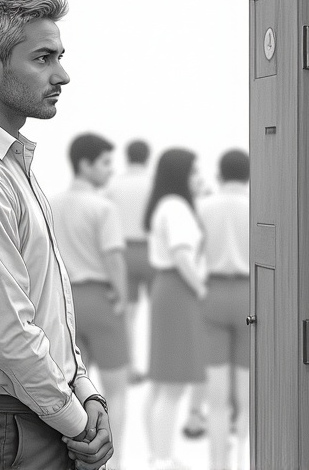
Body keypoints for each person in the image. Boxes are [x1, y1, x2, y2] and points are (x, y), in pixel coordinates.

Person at [0, 0, 113, 470]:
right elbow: (8, 335)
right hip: (9, 433)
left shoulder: (10, 162)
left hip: (33, 418)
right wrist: (79, 425)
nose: (63, 74)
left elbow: (49, 305)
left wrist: (87, 392)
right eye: (43, 58)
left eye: (60, 56)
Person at [50, 133, 130, 470]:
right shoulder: (103, 207)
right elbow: (114, 259)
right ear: (86, 164)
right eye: (105, 163)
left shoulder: (49, 202)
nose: (111, 171)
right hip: (101, 300)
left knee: (71, 391)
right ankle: (115, 461)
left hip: (62, 302)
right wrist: (123, 299)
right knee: (115, 391)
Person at [143, 148, 207, 470]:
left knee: (161, 384)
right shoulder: (178, 208)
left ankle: (159, 453)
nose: (199, 179)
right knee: (173, 387)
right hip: (179, 291)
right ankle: (163, 459)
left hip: (166, 289)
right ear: (181, 175)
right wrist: (202, 289)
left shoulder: (165, 205)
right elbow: (183, 257)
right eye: (194, 173)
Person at [198, 149, 250, 470]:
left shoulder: (202, 207)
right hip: (249, 296)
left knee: (215, 400)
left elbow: (190, 256)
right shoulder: (259, 204)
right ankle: (245, 461)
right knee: (246, 397)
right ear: (247, 174)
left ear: (220, 172)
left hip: (213, 295)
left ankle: (218, 465)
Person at [105, 139, 154, 383]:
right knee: (158, 313)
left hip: (123, 252)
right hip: (151, 252)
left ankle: (131, 367)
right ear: (147, 157)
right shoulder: (154, 183)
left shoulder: (114, 185)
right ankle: (159, 368)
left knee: (128, 314)